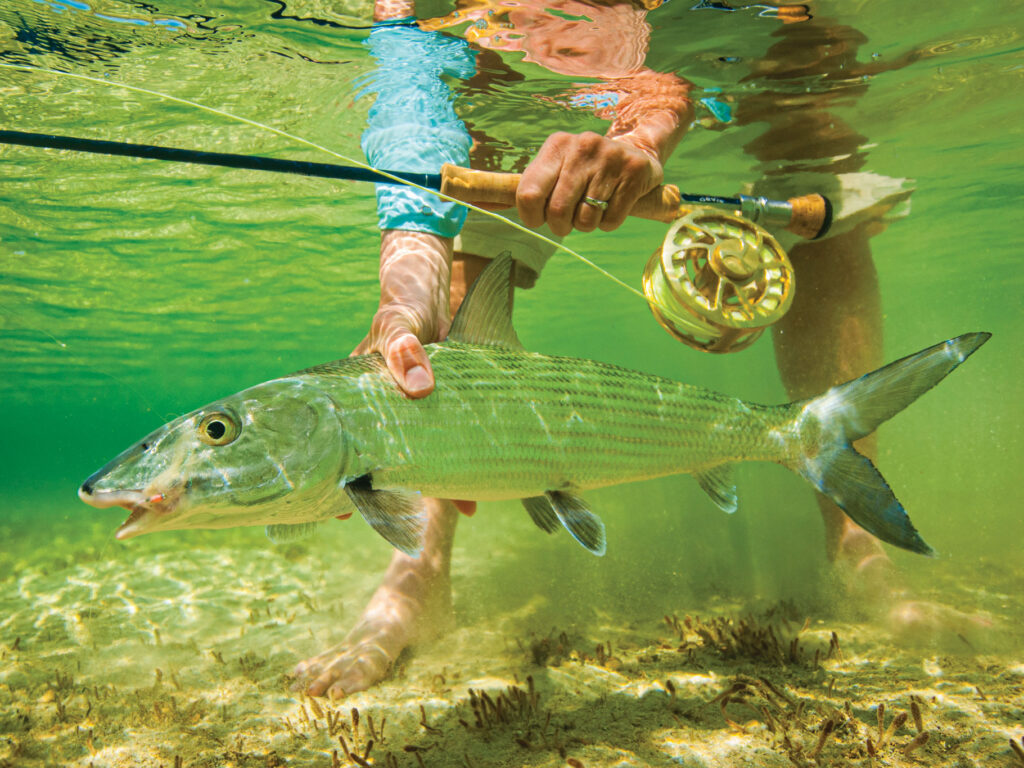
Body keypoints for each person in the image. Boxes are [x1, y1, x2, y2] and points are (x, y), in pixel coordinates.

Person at [293, 0, 983, 699]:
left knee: (811, 157)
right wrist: (405, 291)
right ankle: (417, 573)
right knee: (469, 224)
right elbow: (413, 100)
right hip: (515, 73)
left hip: (724, 34)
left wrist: (646, 131)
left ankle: (855, 547)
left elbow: (668, 36)